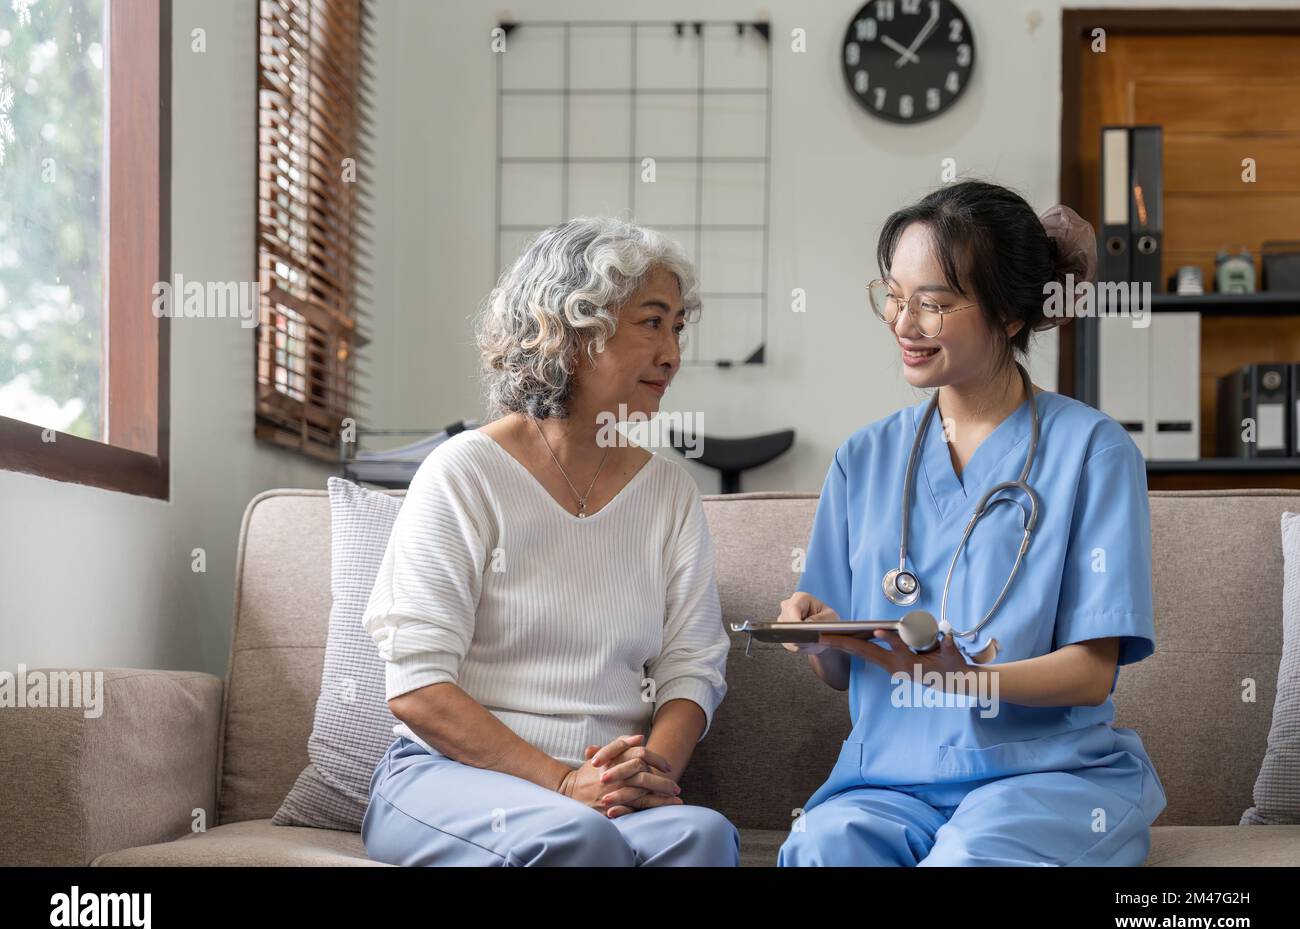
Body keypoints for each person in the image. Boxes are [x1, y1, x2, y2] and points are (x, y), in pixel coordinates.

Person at [777, 180, 1167, 866]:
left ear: (1011, 316)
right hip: (888, 781)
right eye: (894, 297)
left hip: (1042, 779)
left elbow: (1091, 673)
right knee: (822, 847)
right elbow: (843, 674)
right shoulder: (863, 458)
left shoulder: (1093, 451)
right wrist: (819, 632)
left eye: (932, 304)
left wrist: (967, 680)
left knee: (970, 859)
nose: (904, 324)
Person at [360, 217, 738, 866]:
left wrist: (646, 773)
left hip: (600, 787)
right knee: (576, 837)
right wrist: (563, 783)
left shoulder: (669, 495)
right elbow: (417, 683)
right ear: (570, 329)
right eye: (652, 322)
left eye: (678, 328)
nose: (673, 354)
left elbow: (692, 668)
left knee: (700, 837)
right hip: (447, 778)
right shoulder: (465, 474)